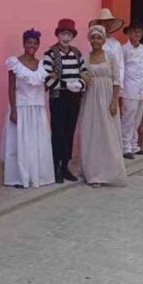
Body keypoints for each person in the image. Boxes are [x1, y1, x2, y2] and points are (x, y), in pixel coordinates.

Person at [1, 29, 55, 188]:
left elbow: (42, 88)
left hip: (37, 109)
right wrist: (13, 110)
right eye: (29, 42)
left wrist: (52, 78)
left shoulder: (42, 65)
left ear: (38, 45)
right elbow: (11, 88)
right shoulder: (14, 63)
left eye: (35, 43)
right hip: (21, 107)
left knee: (37, 143)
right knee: (20, 144)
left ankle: (38, 175)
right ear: (24, 43)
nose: (32, 45)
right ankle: (19, 178)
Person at [79, 26, 127, 187]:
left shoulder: (110, 56)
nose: (96, 41)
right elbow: (80, 75)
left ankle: (110, 171)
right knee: (92, 133)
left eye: (99, 38)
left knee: (108, 133)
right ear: (89, 39)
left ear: (104, 40)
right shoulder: (85, 58)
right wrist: (83, 77)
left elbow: (116, 79)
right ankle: (93, 173)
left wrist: (114, 101)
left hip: (107, 98)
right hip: (91, 99)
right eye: (93, 38)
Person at [43, 19, 88, 183]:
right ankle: (56, 168)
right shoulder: (50, 54)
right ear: (58, 35)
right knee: (58, 133)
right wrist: (66, 85)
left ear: (73, 36)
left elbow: (84, 73)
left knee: (69, 132)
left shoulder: (77, 53)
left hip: (74, 98)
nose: (66, 37)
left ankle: (66, 167)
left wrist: (80, 84)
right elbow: (47, 78)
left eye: (69, 34)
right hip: (58, 97)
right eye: (63, 34)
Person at [120, 23, 143, 159]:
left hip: (140, 87)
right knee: (128, 119)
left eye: (139, 32)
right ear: (129, 33)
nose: (137, 35)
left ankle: (134, 145)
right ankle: (125, 147)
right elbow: (121, 69)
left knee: (137, 119)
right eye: (135, 32)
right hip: (129, 88)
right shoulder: (124, 49)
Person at [89, 8, 125, 88]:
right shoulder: (93, 43)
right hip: (98, 83)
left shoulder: (116, 44)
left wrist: (119, 84)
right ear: (100, 24)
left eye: (109, 21)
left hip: (115, 83)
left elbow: (120, 66)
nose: (107, 24)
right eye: (105, 22)